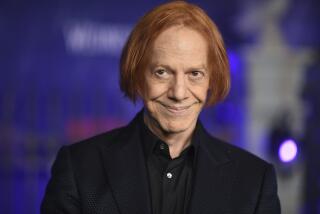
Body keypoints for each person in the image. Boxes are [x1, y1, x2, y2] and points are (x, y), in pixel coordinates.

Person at [41, 1, 281, 213]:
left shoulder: (254, 181)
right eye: (162, 72)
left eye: (195, 74)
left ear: (211, 80)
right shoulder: (79, 169)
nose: (178, 92)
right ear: (138, 76)